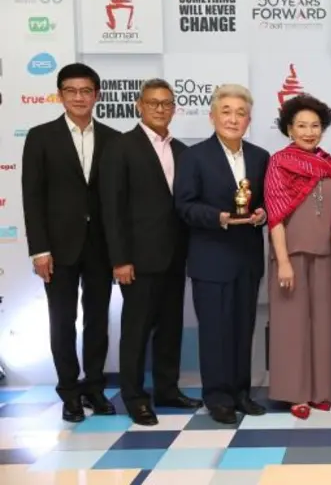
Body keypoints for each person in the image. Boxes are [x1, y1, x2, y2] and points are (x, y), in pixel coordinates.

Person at [100, 79, 202, 426]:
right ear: (139, 106)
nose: (160, 109)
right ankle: (134, 397)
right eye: (153, 102)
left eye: (166, 103)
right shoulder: (120, 147)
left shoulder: (183, 151)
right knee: (136, 331)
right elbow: (112, 208)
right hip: (137, 260)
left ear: (174, 108)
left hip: (175, 255)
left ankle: (167, 390)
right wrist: (120, 259)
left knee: (170, 328)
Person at [21, 63, 119, 422]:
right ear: (60, 95)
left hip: (100, 246)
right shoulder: (40, 137)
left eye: (86, 91)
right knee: (62, 321)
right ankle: (69, 392)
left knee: (97, 320)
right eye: (71, 91)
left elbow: (116, 199)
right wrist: (39, 249)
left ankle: (94, 387)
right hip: (58, 248)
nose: (79, 97)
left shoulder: (113, 138)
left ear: (97, 95)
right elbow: (32, 197)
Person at [174, 84, 269, 425]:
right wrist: (219, 217)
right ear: (212, 116)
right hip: (211, 259)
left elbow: (265, 201)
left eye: (240, 113)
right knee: (215, 332)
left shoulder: (260, 157)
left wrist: (262, 214)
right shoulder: (193, 156)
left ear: (249, 120)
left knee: (243, 330)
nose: (233, 119)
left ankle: (241, 393)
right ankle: (217, 397)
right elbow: (184, 205)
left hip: (248, 259)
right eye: (226, 111)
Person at [265, 94, 331, 420]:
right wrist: (282, 261)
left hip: (325, 254)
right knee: (291, 326)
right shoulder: (279, 162)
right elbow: (275, 216)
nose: (309, 132)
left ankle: (321, 391)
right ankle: (295, 394)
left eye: (315, 126)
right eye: (302, 126)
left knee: (323, 325)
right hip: (290, 255)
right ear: (289, 129)